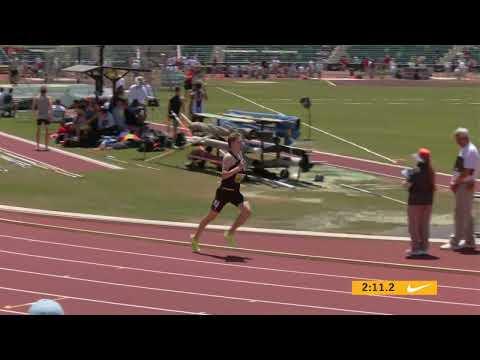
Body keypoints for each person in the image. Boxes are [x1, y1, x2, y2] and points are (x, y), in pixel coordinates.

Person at [190, 132, 252, 252]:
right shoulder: (228, 157)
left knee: (247, 211)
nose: (241, 143)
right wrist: (238, 169)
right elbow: (223, 175)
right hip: (224, 193)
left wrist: (242, 173)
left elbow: (239, 173)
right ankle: (195, 238)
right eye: (239, 141)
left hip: (235, 191)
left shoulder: (239, 154)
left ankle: (230, 233)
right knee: (210, 217)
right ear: (233, 143)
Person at [441, 128, 479, 250]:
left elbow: (467, 171)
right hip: (463, 184)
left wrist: (455, 183)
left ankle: (455, 241)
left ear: (464, 138)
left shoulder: (470, 151)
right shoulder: (465, 149)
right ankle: (469, 241)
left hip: (464, 185)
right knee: (466, 213)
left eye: (458, 139)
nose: (456, 142)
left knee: (461, 214)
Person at [402, 148, 436, 257]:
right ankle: (424, 248)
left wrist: (406, 179)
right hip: (428, 201)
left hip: (415, 201)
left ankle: (415, 248)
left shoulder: (415, 170)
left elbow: (406, 185)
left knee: (414, 226)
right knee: (424, 225)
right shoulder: (431, 170)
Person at [32, 86, 52, 151]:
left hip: (39, 115)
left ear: (40, 91)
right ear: (46, 91)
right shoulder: (49, 98)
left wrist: (34, 115)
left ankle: (37, 146)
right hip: (46, 116)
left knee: (38, 130)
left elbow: (33, 107)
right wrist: (50, 116)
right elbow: (50, 108)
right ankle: (46, 146)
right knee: (47, 131)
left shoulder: (36, 98)